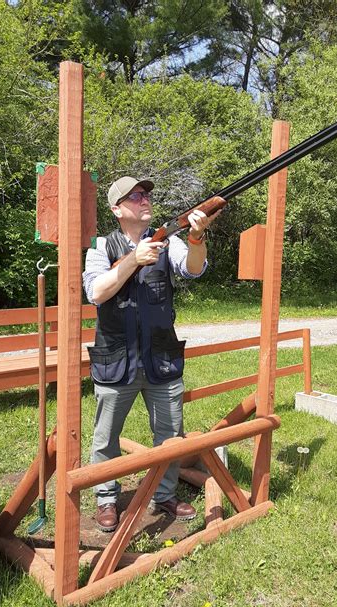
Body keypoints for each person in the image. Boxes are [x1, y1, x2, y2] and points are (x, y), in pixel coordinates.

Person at [83, 176, 219, 532]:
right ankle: (107, 498)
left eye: (146, 195)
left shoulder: (168, 241)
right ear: (117, 209)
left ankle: (165, 494)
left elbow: (194, 269)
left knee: (170, 434)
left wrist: (197, 237)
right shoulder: (100, 246)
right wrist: (132, 260)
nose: (145, 200)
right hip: (116, 359)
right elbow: (96, 292)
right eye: (136, 196)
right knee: (106, 437)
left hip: (161, 357)